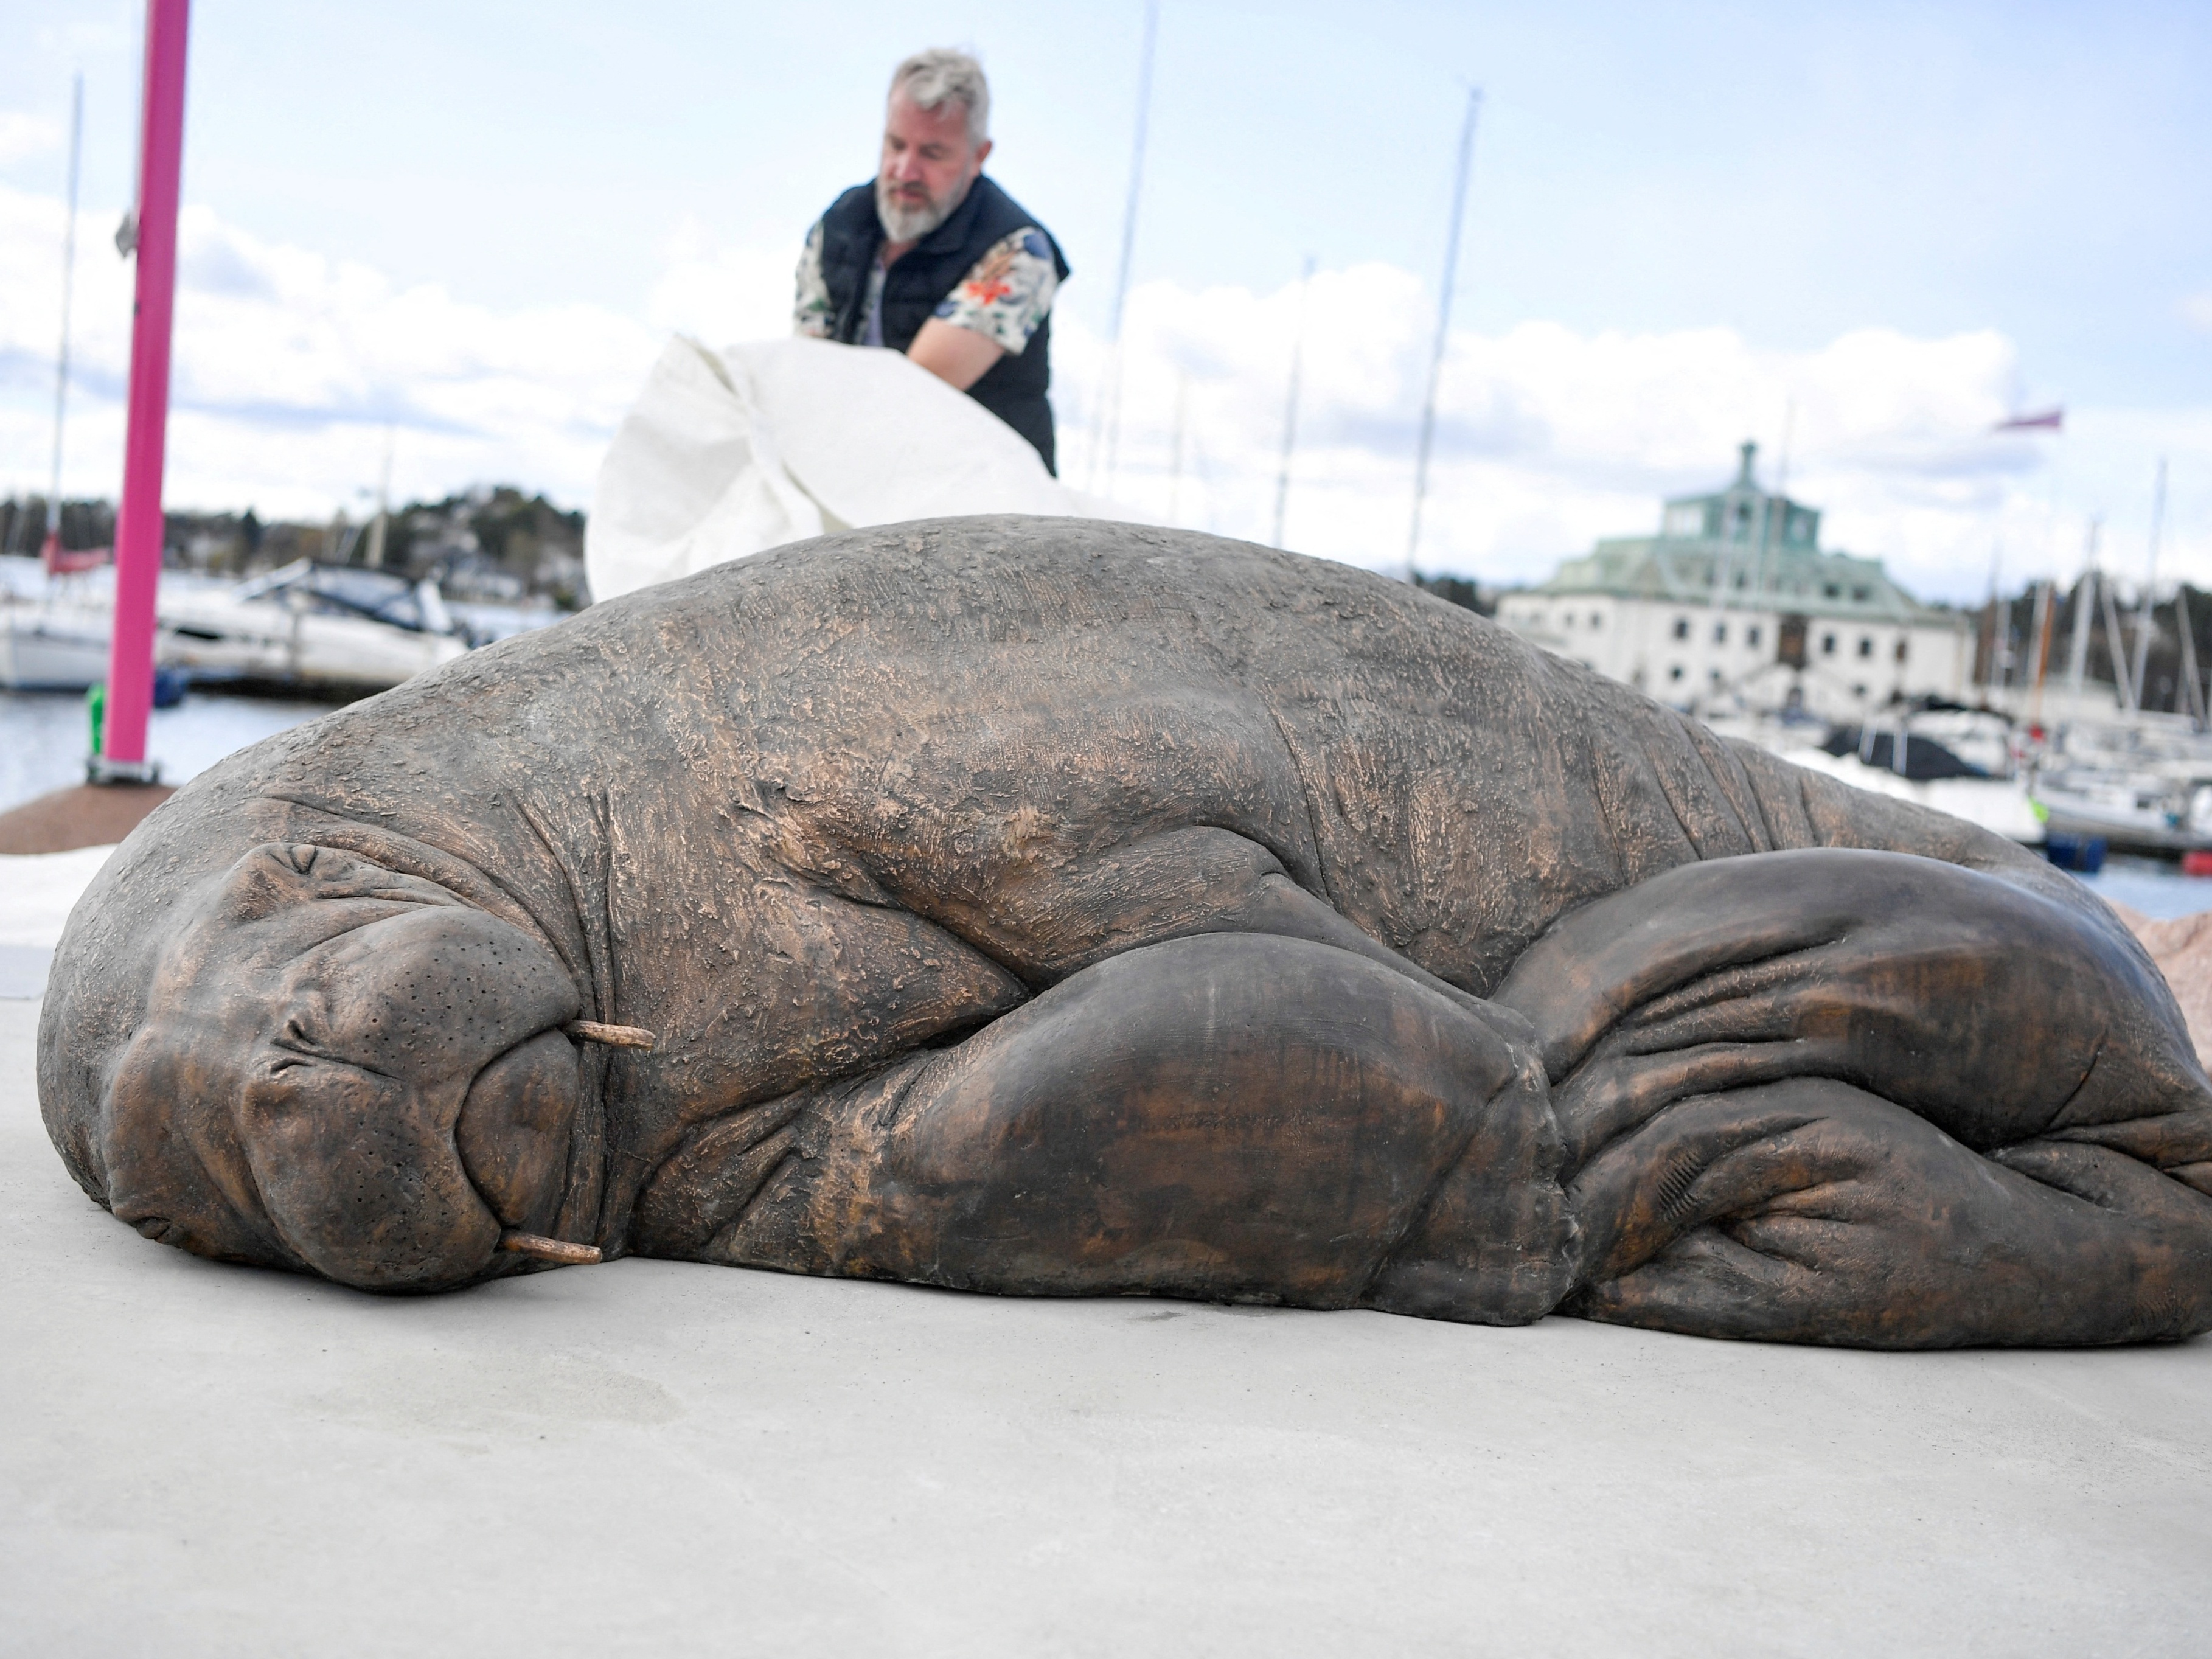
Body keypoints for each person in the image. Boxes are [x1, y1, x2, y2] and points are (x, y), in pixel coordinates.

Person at [794, 49, 1071, 473]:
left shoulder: (1019, 251)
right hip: (853, 472)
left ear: (979, 156)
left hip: (990, 496)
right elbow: (806, 372)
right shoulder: (838, 228)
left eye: (932, 153)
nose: (906, 170)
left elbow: (917, 394)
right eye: (896, 144)